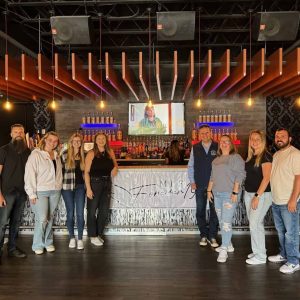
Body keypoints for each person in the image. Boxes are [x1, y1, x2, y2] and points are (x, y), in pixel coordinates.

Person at [207, 135, 245, 263]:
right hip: (216, 194)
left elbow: (240, 175)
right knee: (222, 221)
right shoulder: (216, 160)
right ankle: (228, 245)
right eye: (222, 141)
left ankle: (224, 249)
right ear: (219, 144)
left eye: (227, 141)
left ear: (231, 144)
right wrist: (208, 190)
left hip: (230, 194)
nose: (224, 143)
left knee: (226, 222)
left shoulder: (236, 158)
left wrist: (235, 191)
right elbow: (212, 176)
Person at [268, 128, 300, 274]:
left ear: (290, 138)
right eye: (277, 136)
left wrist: (293, 199)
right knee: (281, 231)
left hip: (289, 201)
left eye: (282, 136)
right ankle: (284, 254)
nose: (279, 138)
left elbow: (299, 178)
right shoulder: (276, 154)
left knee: (291, 233)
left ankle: (294, 261)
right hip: (276, 201)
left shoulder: (295, 154)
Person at [25, 131, 63, 255]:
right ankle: (37, 244)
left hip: (55, 190)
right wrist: (31, 193)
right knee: (42, 219)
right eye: (50, 140)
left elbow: (58, 173)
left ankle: (48, 242)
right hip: (40, 191)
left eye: (55, 141)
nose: (52, 142)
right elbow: (29, 175)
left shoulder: (57, 155)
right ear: (45, 140)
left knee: (50, 218)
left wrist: (59, 185)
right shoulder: (36, 154)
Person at [0, 124, 31, 263]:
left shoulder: (27, 151)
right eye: (16, 132)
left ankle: (12, 249)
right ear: (11, 134)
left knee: (16, 223)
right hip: (6, 193)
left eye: (21, 132)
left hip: (22, 193)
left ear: (24, 134)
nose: (19, 134)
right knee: (1, 224)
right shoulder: (4, 150)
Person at [188, 124, 219, 248]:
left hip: (215, 185)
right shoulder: (195, 148)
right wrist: (192, 181)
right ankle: (203, 235)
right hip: (200, 184)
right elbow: (191, 166)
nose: (204, 135)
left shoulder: (218, 146)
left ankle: (212, 235)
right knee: (200, 210)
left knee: (214, 211)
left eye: (207, 133)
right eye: (202, 133)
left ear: (211, 133)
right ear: (199, 135)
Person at [244, 130, 272, 265]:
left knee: (254, 224)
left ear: (262, 141)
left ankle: (260, 256)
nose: (254, 141)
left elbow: (267, 178)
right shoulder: (250, 156)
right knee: (255, 224)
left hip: (261, 195)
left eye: (257, 139)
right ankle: (258, 251)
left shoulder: (265, 156)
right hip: (249, 193)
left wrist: (257, 196)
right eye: (252, 139)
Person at [84, 133, 118, 246]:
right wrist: (88, 188)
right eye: (99, 138)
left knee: (104, 211)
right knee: (92, 211)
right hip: (95, 183)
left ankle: (98, 234)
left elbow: (115, 165)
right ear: (95, 140)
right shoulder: (91, 153)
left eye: (103, 138)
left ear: (106, 140)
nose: (101, 140)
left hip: (107, 183)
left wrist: (115, 169)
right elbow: (86, 172)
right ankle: (92, 236)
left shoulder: (110, 152)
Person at [61, 133, 85, 250]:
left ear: (81, 143)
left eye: (79, 141)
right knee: (70, 213)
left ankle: (80, 239)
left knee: (80, 214)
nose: (76, 143)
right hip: (67, 188)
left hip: (80, 187)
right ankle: (71, 237)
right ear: (71, 142)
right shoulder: (64, 154)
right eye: (74, 141)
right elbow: (58, 173)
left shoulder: (84, 155)